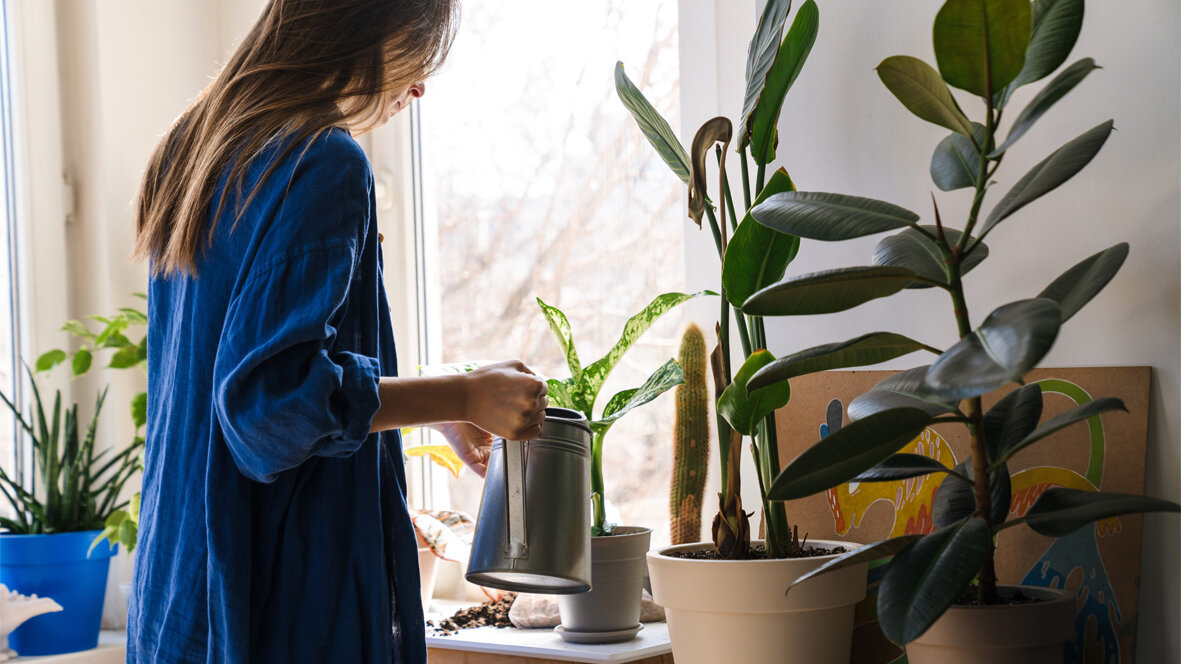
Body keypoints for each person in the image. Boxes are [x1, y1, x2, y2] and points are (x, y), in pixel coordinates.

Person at [126, 1, 546, 661]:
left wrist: (433, 395)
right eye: (417, 53)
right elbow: (271, 407)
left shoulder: (194, 147)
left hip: (182, 589)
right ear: (363, 27)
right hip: (277, 600)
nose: (418, 87)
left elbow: (245, 372)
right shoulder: (320, 160)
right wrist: (460, 397)